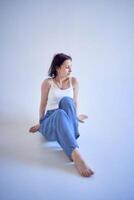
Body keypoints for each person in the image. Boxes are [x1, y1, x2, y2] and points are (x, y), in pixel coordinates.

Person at [29, 53, 94, 177]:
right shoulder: (48, 83)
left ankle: (70, 139)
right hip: (50, 120)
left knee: (67, 101)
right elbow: (43, 103)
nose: (71, 70)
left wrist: (75, 117)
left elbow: (74, 102)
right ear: (57, 68)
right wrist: (41, 123)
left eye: (71, 66)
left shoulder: (74, 81)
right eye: (67, 67)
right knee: (59, 113)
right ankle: (76, 155)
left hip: (66, 120)